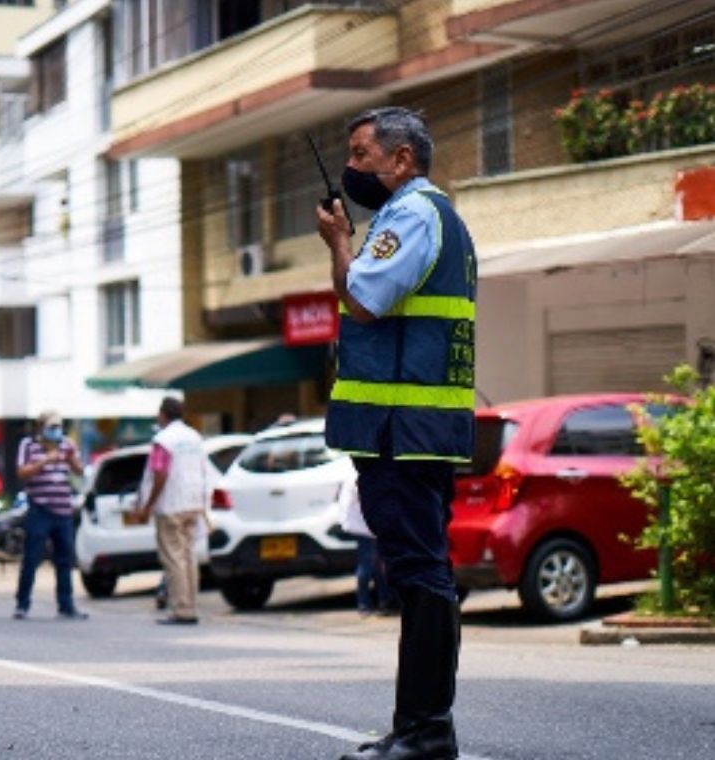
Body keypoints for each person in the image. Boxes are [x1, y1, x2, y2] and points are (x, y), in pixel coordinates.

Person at [317, 106, 476, 760]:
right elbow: (363, 295)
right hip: (409, 430)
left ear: (401, 159)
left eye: (361, 155)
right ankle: (419, 727)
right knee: (418, 572)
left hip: (403, 431)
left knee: (419, 574)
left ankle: (426, 730)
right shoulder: (417, 217)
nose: (352, 168)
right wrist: (346, 248)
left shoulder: (412, 215)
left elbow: (363, 299)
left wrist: (337, 245)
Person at [136, 397, 210, 625]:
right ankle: (191, 606)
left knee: (174, 558)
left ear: (163, 415)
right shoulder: (194, 437)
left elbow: (160, 474)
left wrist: (147, 505)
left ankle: (182, 609)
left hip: (171, 505)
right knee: (188, 557)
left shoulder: (164, 440)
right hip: (193, 503)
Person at [13, 411, 87, 620]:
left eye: (59, 427)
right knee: (32, 557)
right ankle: (22, 603)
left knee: (65, 560)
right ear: (41, 427)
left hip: (63, 510)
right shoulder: (28, 445)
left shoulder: (67, 445)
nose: (56, 431)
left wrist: (72, 458)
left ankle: (66, 605)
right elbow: (22, 473)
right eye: (52, 427)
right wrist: (45, 460)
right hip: (40, 509)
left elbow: (80, 471)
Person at [339, 478, 393, 617]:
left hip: (368, 526)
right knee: (369, 565)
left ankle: (381, 601)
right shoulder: (357, 478)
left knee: (375, 566)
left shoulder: (355, 475)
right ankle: (367, 603)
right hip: (365, 527)